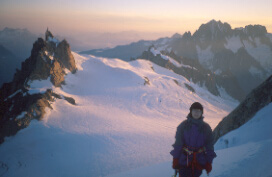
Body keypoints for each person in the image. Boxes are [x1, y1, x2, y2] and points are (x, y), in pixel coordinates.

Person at [170, 102, 216, 177]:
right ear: (191, 111)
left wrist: (209, 162)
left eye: (199, 111)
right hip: (184, 160)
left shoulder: (206, 128)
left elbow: (209, 146)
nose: (196, 113)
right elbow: (178, 144)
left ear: (202, 113)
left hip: (199, 161)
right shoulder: (183, 126)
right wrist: (176, 159)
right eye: (194, 110)